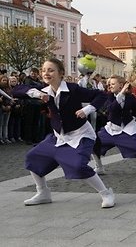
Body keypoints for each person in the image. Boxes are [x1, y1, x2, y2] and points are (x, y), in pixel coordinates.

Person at [12, 58, 115, 208]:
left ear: (61, 73)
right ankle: (43, 192)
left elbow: (101, 95)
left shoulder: (73, 89)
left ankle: (106, 193)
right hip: (58, 136)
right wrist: (35, 93)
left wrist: (87, 109)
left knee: (78, 166)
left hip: (80, 135)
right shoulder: (43, 90)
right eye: (44, 70)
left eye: (51, 70)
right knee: (32, 158)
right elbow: (16, 90)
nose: (46, 73)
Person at [91, 75, 136, 176]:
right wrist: (120, 94)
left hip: (126, 128)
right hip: (111, 128)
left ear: (121, 85)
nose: (110, 86)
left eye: (112, 84)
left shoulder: (130, 97)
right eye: (109, 84)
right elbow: (111, 109)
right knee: (94, 144)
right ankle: (99, 168)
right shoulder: (108, 96)